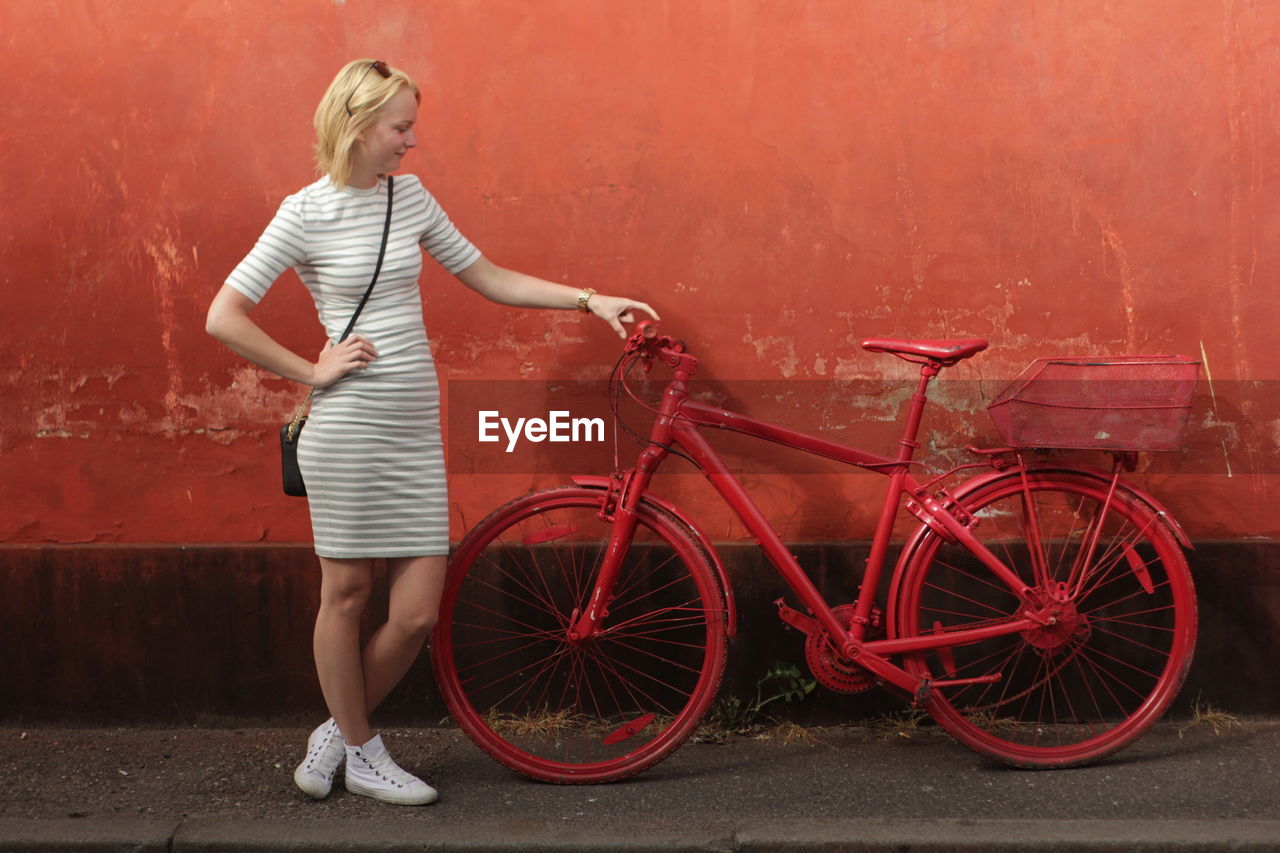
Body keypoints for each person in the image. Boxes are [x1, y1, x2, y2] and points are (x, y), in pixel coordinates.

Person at [205, 58, 657, 805]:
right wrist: (311, 372)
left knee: (415, 610)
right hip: (346, 427)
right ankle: (364, 750)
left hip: (411, 427)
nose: (411, 142)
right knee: (347, 592)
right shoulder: (304, 212)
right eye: (400, 127)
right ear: (355, 125)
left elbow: (489, 277)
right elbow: (223, 315)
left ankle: (336, 734)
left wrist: (589, 299)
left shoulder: (408, 200)